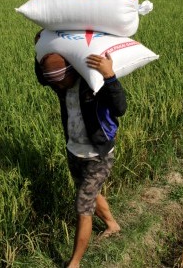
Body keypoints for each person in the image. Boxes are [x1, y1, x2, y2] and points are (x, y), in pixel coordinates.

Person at [34, 34, 127, 268]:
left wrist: (110, 76)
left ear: (70, 73)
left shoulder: (93, 84)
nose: (56, 87)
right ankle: (112, 225)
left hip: (99, 154)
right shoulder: (61, 87)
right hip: (74, 150)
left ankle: (74, 263)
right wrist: (39, 50)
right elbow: (44, 78)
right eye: (55, 84)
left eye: (60, 82)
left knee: (82, 205)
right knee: (89, 193)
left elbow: (120, 107)